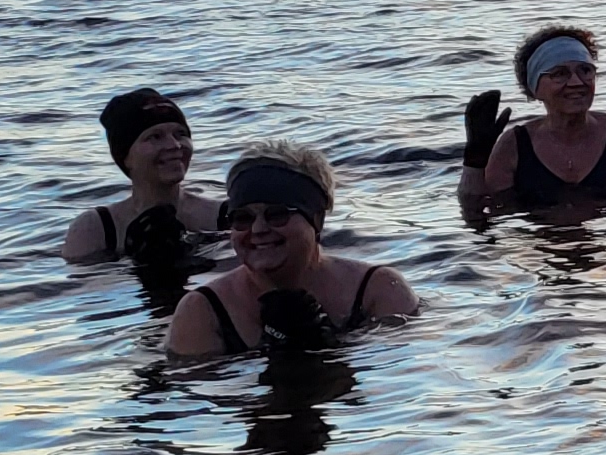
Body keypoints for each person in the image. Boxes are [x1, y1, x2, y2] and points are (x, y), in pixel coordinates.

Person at [163, 141, 419, 356]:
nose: (258, 229)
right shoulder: (202, 311)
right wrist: (273, 356)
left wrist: (327, 352)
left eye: (277, 215)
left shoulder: (378, 289)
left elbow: (397, 381)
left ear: (317, 219)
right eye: (243, 218)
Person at [461, 25, 606, 209]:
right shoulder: (514, 144)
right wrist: (475, 159)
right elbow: (477, 208)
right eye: (559, 74)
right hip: (539, 249)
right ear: (534, 89)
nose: (576, 83)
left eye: (585, 70)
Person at [64, 87, 221, 269]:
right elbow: (83, 290)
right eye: (155, 137)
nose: (174, 145)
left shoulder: (222, 215)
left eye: (181, 134)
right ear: (125, 157)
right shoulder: (95, 229)